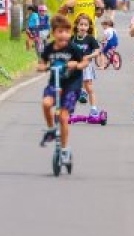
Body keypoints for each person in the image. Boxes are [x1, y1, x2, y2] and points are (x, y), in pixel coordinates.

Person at [37, 14, 89, 168]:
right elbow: (41, 63)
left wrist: (77, 65)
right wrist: (42, 67)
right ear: (54, 33)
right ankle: (52, 128)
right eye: (60, 32)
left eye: (67, 32)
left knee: (64, 117)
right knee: (46, 104)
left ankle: (65, 150)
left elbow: (85, 61)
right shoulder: (49, 48)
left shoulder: (73, 48)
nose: (64, 35)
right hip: (55, 83)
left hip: (72, 85)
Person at [70, 14, 101, 115]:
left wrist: (89, 56)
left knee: (89, 88)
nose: (83, 27)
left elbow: (97, 51)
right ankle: (71, 110)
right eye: (81, 24)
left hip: (87, 66)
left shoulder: (90, 39)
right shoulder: (72, 39)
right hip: (75, 66)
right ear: (77, 26)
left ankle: (93, 108)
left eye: (85, 25)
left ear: (89, 27)